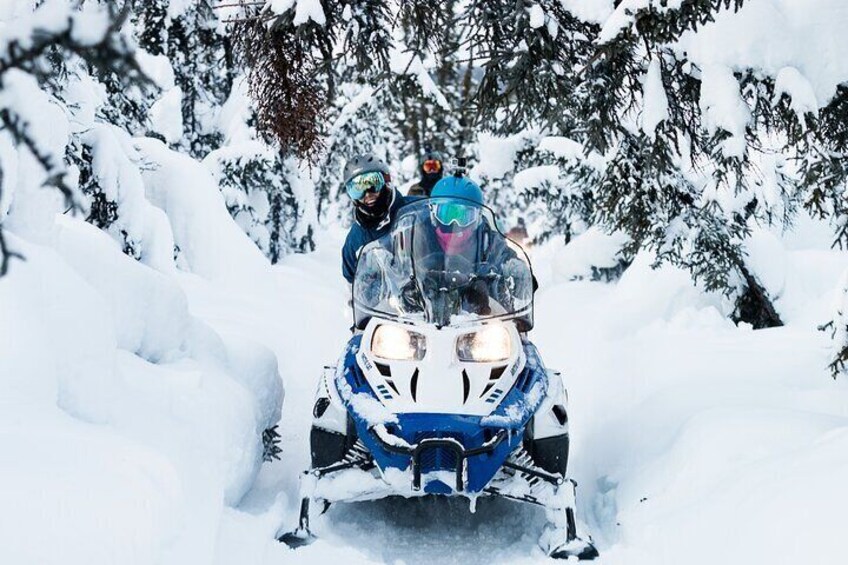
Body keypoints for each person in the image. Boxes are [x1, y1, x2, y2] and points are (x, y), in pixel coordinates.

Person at [341, 154, 414, 284]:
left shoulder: (414, 211)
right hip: (385, 302)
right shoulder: (356, 238)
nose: (368, 194)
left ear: (386, 181)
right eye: (358, 189)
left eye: (373, 183)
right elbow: (352, 281)